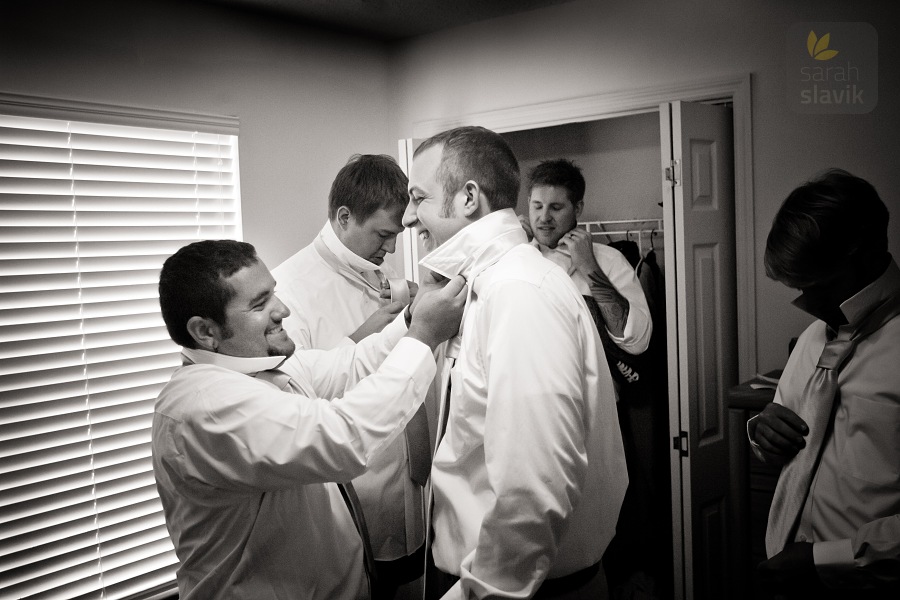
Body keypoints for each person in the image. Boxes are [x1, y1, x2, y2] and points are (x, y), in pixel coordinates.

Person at [151, 239, 467, 600]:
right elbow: (344, 437)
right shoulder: (205, 408)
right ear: (206, 332)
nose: (282, 309)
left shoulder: (259, 368)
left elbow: (350, 366)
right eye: (259, 304)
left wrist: (411, 319)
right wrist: (424, 337)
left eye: (273, 294)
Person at [403, 126, 628, 600]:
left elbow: (533, 488)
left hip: (521, 589)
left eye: (418, 198)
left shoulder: (520, 295)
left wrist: (479, 594)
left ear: (468, 198)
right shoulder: (481, 288)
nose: (407, 217)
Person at [272, 154, 427, 596]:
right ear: (344, 217)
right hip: (354, 487)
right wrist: (377, 330)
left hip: (407, 479)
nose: (392, 248)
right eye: (383, 234)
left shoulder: (379, 272)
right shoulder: (290, 291)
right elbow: (297, 396)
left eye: (396, 235)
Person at [747, 169, 900, 599]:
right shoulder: (815, 337)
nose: (808, 306)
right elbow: (785, 429)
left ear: (869, 255)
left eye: (822, 287)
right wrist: (762, 431)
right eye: (799, 290)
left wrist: (826, 561)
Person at [525, 158, 660, 597]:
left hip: (602, 417)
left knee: (609, 514)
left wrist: (590, 269)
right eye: (537, 205)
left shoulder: (609, 261)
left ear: (578, 208)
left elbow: (635, 338)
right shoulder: (518, 263)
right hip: (537, 418)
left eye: (556, 207)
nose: (544, 217)